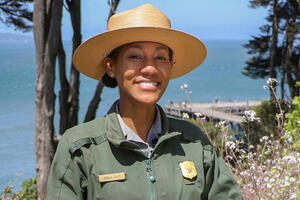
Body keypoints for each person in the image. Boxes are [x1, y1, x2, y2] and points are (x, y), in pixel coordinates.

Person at [46, 4, 243, 200]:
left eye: (160, 57)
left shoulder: (194, 142)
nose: (150, 68)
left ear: (170, 67)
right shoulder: (81, 147)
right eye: (135, 56)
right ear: (111, 66)